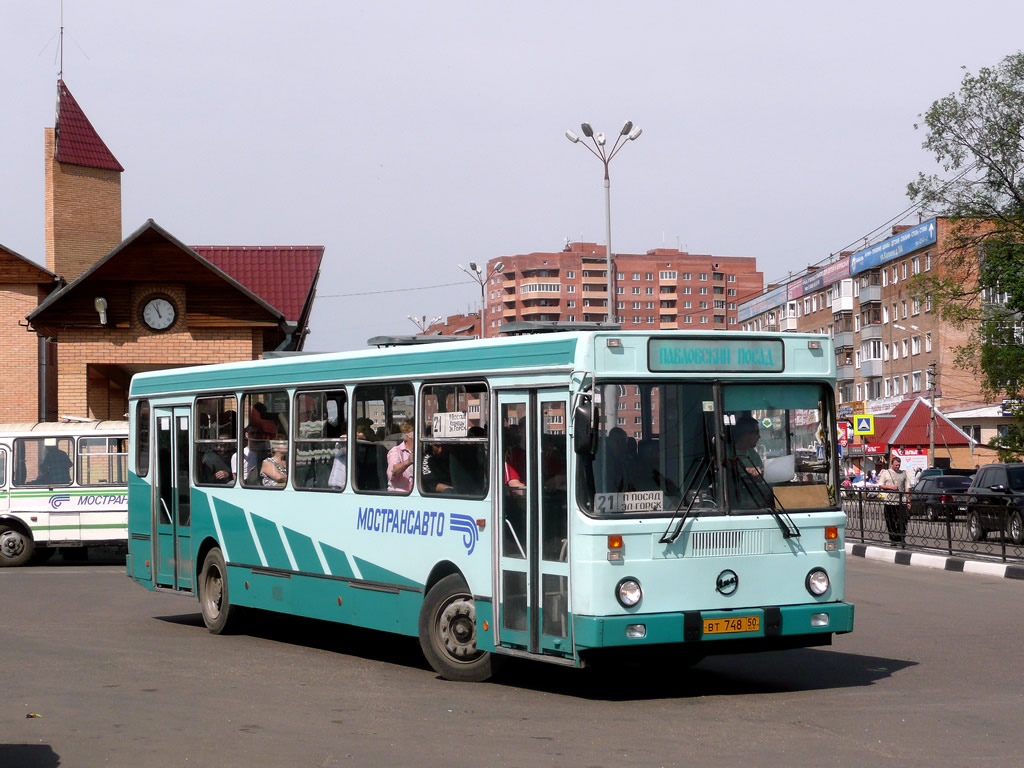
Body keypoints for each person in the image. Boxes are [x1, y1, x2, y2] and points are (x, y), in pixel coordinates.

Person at [879, 455, 910, 543]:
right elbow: (880, 485)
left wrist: (908, 500)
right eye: (896, 465)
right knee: (891, 521)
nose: (897, 466)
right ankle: (893, 539)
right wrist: (890, 487)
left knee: (902, 520)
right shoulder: (886, 473)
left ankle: (901, 538)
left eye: (899, 465)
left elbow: (907, 487)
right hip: (890, 501)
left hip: (901, 501)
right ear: (892, 464)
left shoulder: (903, 473)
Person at [386, 421, 415, 492]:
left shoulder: (420, 452)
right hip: (399, 494)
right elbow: (393, 472)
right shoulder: (396, 451)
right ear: (409, 435)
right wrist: (407, 462)